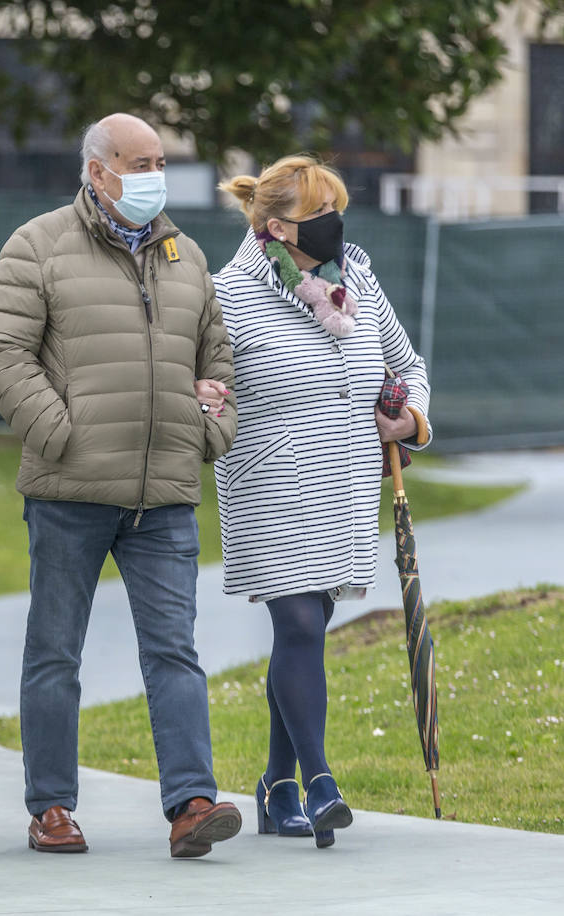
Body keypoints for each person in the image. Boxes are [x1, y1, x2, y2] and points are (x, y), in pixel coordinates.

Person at [0, 114, 242, 858]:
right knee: (56, 653)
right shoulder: (38, 245)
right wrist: (61, 433)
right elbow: (1, 352)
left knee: (175, 653)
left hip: (164, 498)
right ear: (97, 170)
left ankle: (192, 803)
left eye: (159, 160)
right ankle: (51, 808)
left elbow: (219, 364)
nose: (152, 173)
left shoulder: (185, 255)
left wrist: (207, 434)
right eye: (137, 161)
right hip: (69, 493)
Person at [214, 156, 431, 849]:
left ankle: (276, 788)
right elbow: (203, 386)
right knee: (302, 624)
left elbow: (409, 366)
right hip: (269, 488)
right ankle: (320, 782)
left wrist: (411, 419)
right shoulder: (227, 294)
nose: (338, 223)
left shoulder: (356, 278)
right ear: (276, 226)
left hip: (343, 486)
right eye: (322, 211)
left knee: (303, 629)